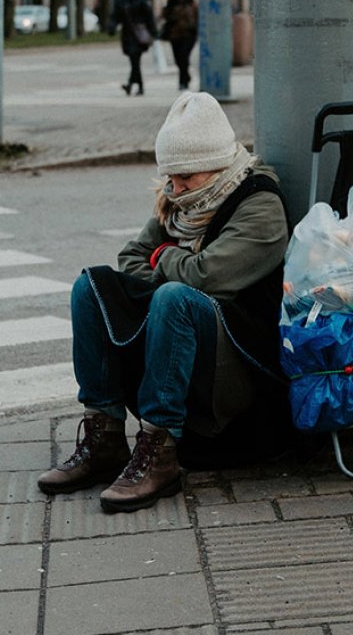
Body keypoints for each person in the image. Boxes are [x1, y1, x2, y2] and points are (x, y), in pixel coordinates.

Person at [37, 92, 290, 513]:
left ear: (213, 166)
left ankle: (160, 449)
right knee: (93, 285)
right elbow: (130, 258)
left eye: (184, 179)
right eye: (170, 179)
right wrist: (170, 263)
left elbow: (206, 276)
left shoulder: (260, 205)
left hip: (241, 368)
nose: (174, 189)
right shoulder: (183, 200)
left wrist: (165, 259)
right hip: (184, 338)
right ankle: (104, 438)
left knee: (176, 296)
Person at [112, 0, 155, 96]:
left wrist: (153, 31)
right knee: (134, 61)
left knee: (135, 60)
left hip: (139, 35)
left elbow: (149, 16)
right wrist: (112, 26)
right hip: (127, 35)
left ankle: (131, 85)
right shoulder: (120, 0)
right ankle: (138, 86)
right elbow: (115, 16)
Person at [160, 0, 199, 91]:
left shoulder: (191, 2)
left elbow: (196, 16)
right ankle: (186, 76)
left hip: (188, 35)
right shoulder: (171, 2)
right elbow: (165, 16)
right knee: (178, 59)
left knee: (184, 57)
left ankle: (183, 81)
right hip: (175, 35)